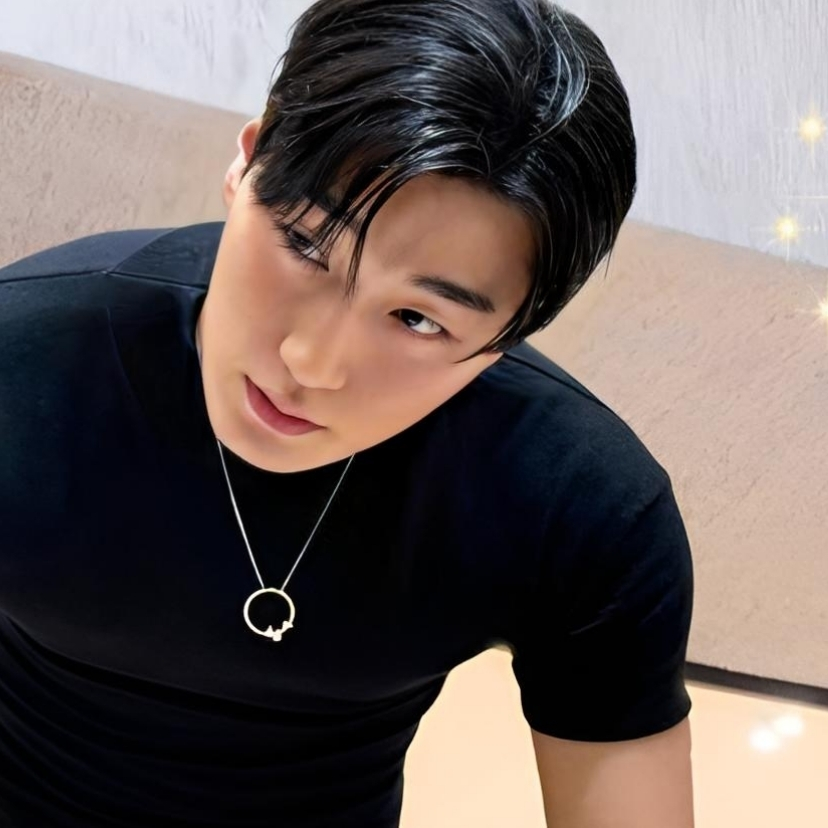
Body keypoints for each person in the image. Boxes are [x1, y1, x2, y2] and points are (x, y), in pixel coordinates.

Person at [0, 1, 695, 826]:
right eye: (304, 244)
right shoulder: (27, 352)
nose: (311, 363)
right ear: (249, 160)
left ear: (511, 335)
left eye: (419, 319)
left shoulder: (584, 508)